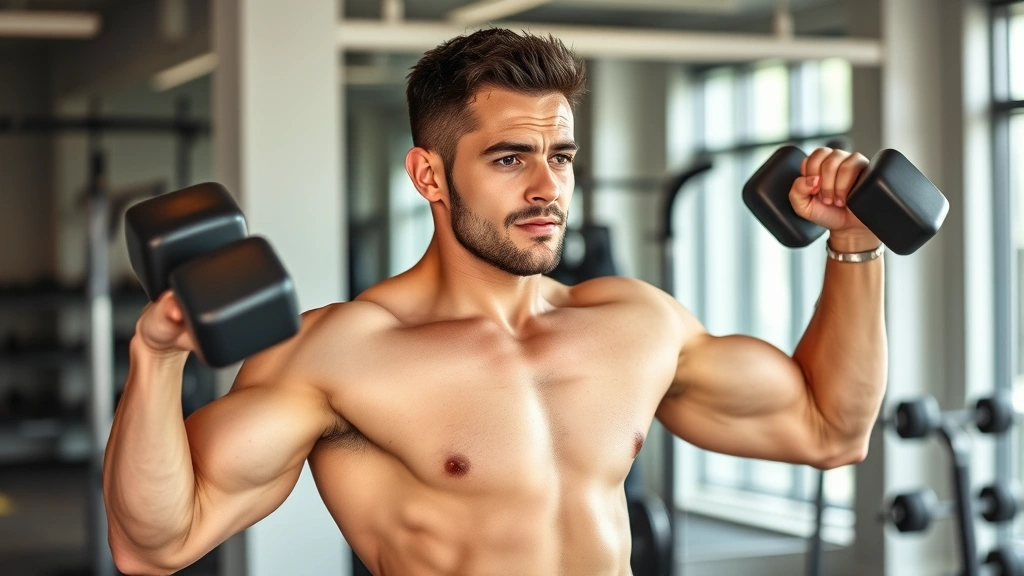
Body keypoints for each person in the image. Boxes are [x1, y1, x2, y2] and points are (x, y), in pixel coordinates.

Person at [104, 28, 886, 576]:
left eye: (561, 156)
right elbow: (155, 545)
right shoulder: (336, 355)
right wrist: (157, 356)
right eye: (511, 158)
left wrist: (855, 243)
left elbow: (829, 429)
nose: (548, 187)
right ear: (430, 176)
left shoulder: (636, 323)